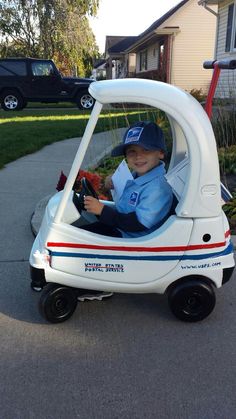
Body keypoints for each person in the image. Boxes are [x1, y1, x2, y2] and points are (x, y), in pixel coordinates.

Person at [77, 120, 174, 302]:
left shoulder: (158, 188)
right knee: (81, 233)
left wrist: (102, 211)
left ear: (160, 153)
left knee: (84, 243)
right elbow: (127, 202)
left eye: (145, 150)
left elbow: (137, 223)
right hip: (123, 229)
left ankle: (99, 285)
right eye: (132, 152)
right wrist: (112, 184)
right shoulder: (140, 177)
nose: (138, 157)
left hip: (134, 239)